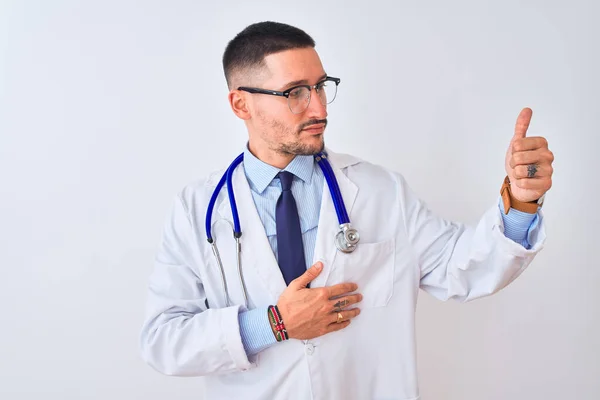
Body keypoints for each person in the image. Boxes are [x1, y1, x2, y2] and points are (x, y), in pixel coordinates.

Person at [139, 21, 553, 399]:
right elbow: (163, 341)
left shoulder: (379, 190)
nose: (319, 108)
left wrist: (521, 200)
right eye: (295, 93)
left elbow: (463, 269)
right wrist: (272, 324)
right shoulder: (197, 210)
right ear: (241, 104)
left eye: (321, 86)